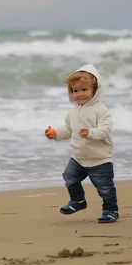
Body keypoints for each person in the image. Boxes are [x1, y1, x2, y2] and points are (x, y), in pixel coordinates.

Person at [45, 64, 119, 223]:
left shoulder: (101, 110)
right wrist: (55, 133)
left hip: (99, 159)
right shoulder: (72, 112)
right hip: (79, 157)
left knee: (105, 188)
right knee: (69, 177)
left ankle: (111, 210)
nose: (79, 94)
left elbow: (106, 129)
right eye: (75, 90)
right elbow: (67, 130)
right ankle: (78, 201)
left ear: (95, 89)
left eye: (84, 90)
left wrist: (91, 133)